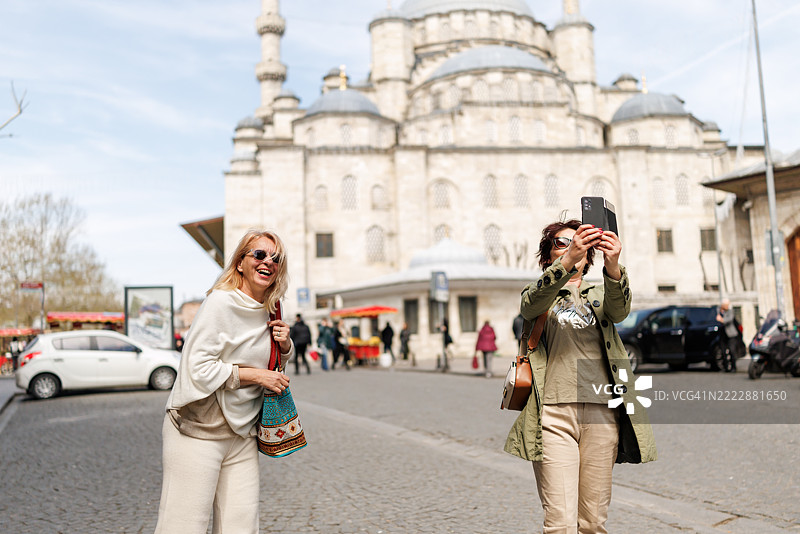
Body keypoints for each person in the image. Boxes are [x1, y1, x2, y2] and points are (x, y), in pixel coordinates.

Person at [504, 218, 657, 534]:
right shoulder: (541, 293)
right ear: (548, 256)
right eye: (561, 242)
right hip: (553, 416)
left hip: (602, 415)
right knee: (559, 523)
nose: (571, 246)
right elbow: (529, 306)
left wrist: (613, 265)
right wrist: (566, 262)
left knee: (593, 523)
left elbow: (620, 311)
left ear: (589, 256)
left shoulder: (602, 293)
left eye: (579, 242)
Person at [154, 229, 295, 534]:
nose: (268, 262)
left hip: (243, 432)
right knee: (183, 526)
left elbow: (271, 368)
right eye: (259, 254)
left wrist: (284, 346)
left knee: (241, 525)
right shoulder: (220, 302)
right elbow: (196, 368)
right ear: (240, 263)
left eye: (275, 258)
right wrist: (254, 375)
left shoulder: (272, 308)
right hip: (198, 428)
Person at [716, 298, 739, 372]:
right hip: (722, 335)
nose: (727, 306)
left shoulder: (730, 311)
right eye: (726, 305)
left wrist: (721, 320)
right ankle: (726, 367)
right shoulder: (718, 311)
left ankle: (733, 367)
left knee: (732, 350)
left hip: (731, 335)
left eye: (728, 305)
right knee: (723, 351)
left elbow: (728, 320)